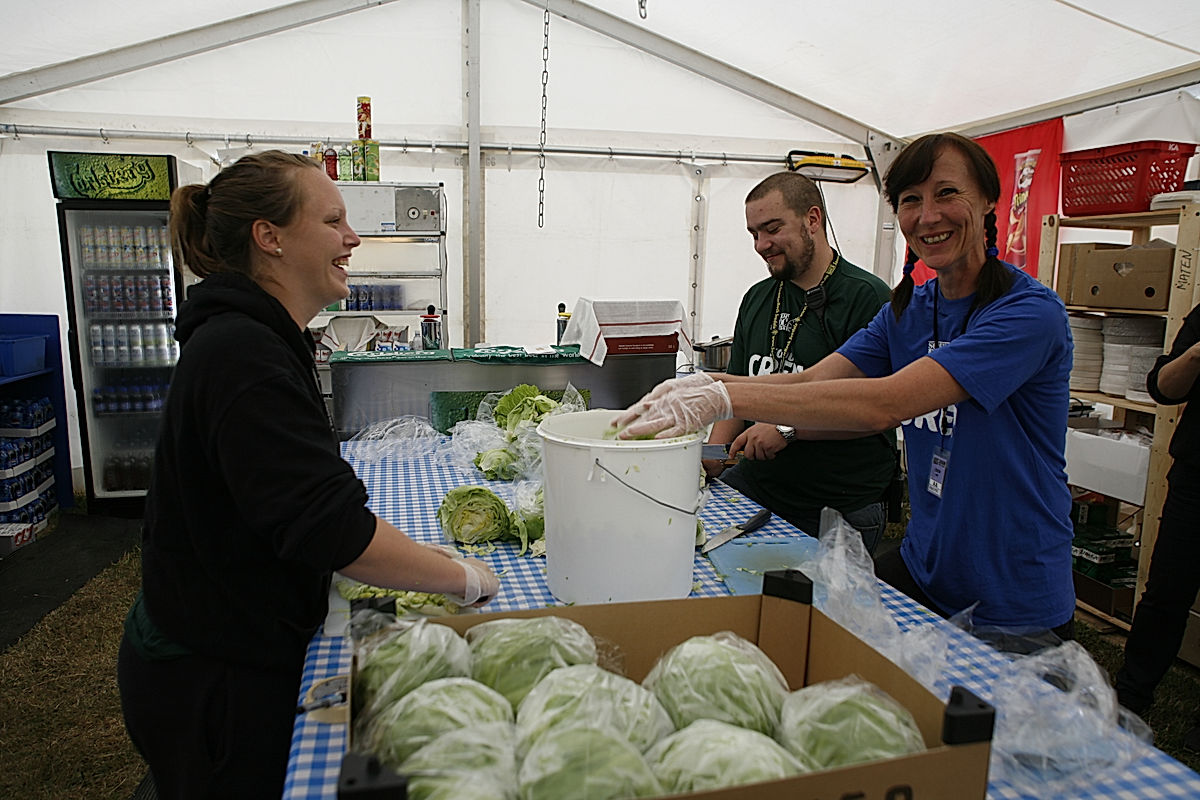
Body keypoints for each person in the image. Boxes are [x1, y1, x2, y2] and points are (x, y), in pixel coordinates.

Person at [116, 151, 499, 799]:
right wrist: (462, 579)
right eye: (333, 221)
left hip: (226, 641)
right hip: (211, 671)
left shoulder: (257, 338)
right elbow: (329, 527)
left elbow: (293, 499)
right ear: (270, 238)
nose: (352, 239)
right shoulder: (242, 352)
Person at [616, 132, 1076, 641]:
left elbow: (887, 403)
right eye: (910, 200)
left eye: (947, 193)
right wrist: (713, 384)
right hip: (927, 568)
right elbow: (813, 379)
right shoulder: (909, 309)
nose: (927, 216)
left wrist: (727, 395)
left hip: (1010, 589)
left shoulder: (1026, 314)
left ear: (989, 200)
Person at [706, 171, 895, 550]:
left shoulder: (867, 298)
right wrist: (711, 455)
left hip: (838, 505)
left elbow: (874, 412)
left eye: (772, 229)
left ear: (813, 219)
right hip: (758, 486)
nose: (761, 244)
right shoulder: (758, 298)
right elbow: (736, 396)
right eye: (753, 233)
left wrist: (787, 428)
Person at [1115, 301, 1200, 737]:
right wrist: (1197, 354)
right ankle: (1130, 697)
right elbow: (1163, 388)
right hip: (1196, 477)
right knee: (1166, 592)